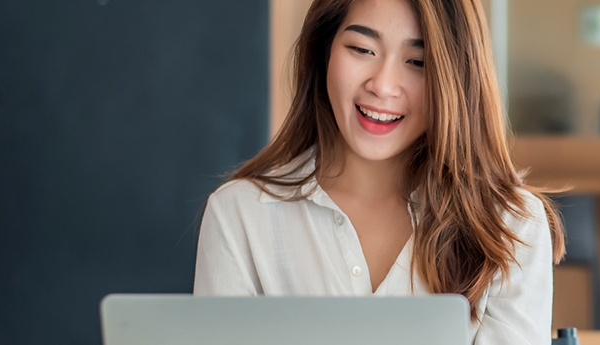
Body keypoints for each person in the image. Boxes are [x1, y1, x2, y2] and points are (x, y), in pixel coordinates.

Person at [192, 0, 566, 343]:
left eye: (417, 62)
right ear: (324, 51)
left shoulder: (511, 225)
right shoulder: (239, 216)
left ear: (456, 79)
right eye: (361, 50)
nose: (383, 86)